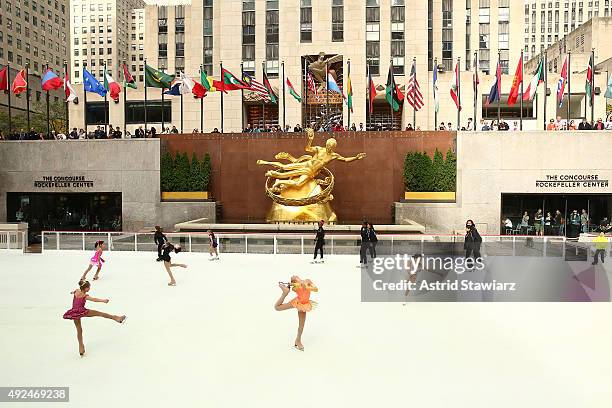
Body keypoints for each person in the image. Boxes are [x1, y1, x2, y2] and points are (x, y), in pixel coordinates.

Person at [63, 279, 127, 356]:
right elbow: (94, 300)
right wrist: (103, 300)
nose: (89, 288)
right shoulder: (85, 296)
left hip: (74, 312)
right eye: (89, 287)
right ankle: (117, 318)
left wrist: (72, 292)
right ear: (85, 288)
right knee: (100, 313)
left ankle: (81, 347)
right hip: (82, 311)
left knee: (79, 330)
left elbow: (74, 292)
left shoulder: (77, 291)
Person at [274, 276, 318, 351]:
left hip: (304, 305)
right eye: (293, 279)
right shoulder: (295, 286)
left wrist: (307, 286)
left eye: (294, 277)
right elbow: (291, 285)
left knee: (301, 325)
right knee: (277, 307)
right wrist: (288, 286)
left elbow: (316, 289)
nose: (293, 276)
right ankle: (284, 294)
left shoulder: (307, 280)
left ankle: (298, 340)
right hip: (297, 302)